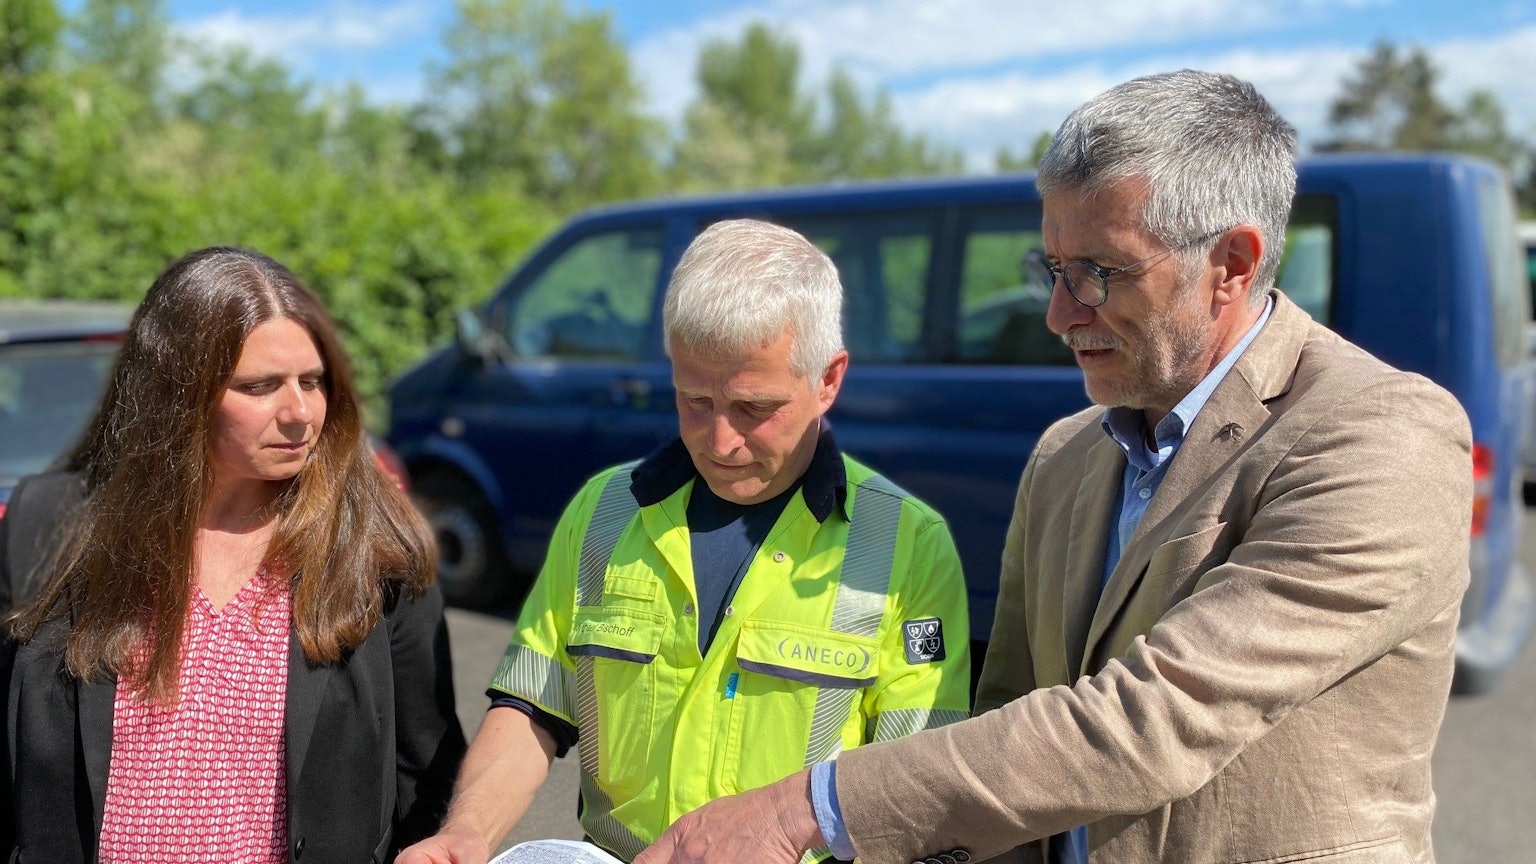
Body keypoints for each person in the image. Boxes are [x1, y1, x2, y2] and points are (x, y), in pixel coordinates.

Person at [633, 70, 1472, 864]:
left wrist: (799, 810)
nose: (1058, 313)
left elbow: (1153, 721)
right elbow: (1011, 708)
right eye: (1055, 269)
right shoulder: (1067, 453)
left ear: (1233, 265)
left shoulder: (1378, 434)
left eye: (1101, 274)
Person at [397, 218, 971, 864]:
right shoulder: (603, 513)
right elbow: (532, 704)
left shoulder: (905, 546)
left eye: (754, 408)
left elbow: (922, 796)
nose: (720, 441)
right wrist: (467, 832)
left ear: (829, 380)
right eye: (694, 400)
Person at [0, 246, 467, 863]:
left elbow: (427, 772)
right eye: (259, 386)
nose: (300, 412)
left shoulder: (373, 551)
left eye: (313, 380)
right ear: (177, 392)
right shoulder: (51, 525)